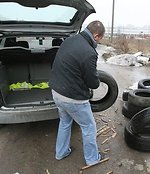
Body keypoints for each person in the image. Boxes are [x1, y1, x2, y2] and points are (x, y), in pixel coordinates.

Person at [49, 20, 105, 166]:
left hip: (56, 92)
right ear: (96, 36)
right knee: (89, 127)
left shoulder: (69, 40)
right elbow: (93, 83)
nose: (99, 41)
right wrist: (96, 79)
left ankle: (61, 153)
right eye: (100, 38)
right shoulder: (89, 53)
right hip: (73, 99)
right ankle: (92, 159)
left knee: (65, 122)